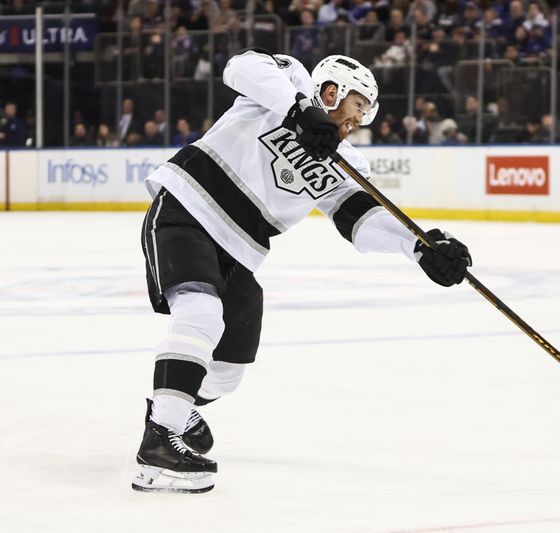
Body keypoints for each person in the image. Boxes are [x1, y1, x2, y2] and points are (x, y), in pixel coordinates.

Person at [131, 51, 472, 493]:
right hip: (188, 206)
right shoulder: (286, 79)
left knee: (229, 370)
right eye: (356, 108)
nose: (357, 121)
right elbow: (239, 67)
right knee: (199, 313)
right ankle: (158, 445)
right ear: (331, 91)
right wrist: (301, 109)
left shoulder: (345, 159)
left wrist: (421, 247)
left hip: (239, 252)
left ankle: (171, 404)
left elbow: (359, 218)